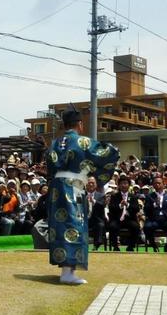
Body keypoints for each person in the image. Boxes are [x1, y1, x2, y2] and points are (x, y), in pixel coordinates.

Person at [46, 106, 119, 285]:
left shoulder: (54, 143)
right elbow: (109, 153)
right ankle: (68, 272)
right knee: (73, 225)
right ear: (79, 124)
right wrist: (91, 172)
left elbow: (50, 166)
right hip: (72, 187)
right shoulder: (82, 142)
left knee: (60, 226)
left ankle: (66, 270)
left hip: (56, 188)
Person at [143, 176, 167, 252]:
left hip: (166, 220)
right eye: (155, 183)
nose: (157, 185)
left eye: (159, 183)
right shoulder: (149, 196)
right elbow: (146, 210)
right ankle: (154, 245)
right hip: (154, 219)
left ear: (163, 184)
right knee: (146, 227)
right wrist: (154, 204)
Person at [108, 175, 141, 252]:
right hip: (117, 219)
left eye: (126, 183)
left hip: (129, 219)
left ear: (129, 185)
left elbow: (136, 209)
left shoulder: (133, 197)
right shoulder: (114, 196)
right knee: (112, 226)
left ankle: (131, 246)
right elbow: (111, 208)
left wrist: (128, 205)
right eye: (122, 183)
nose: (123, 185)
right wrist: (120, 205)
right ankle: (115, 246)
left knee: (136, 227)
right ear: (119, 185)